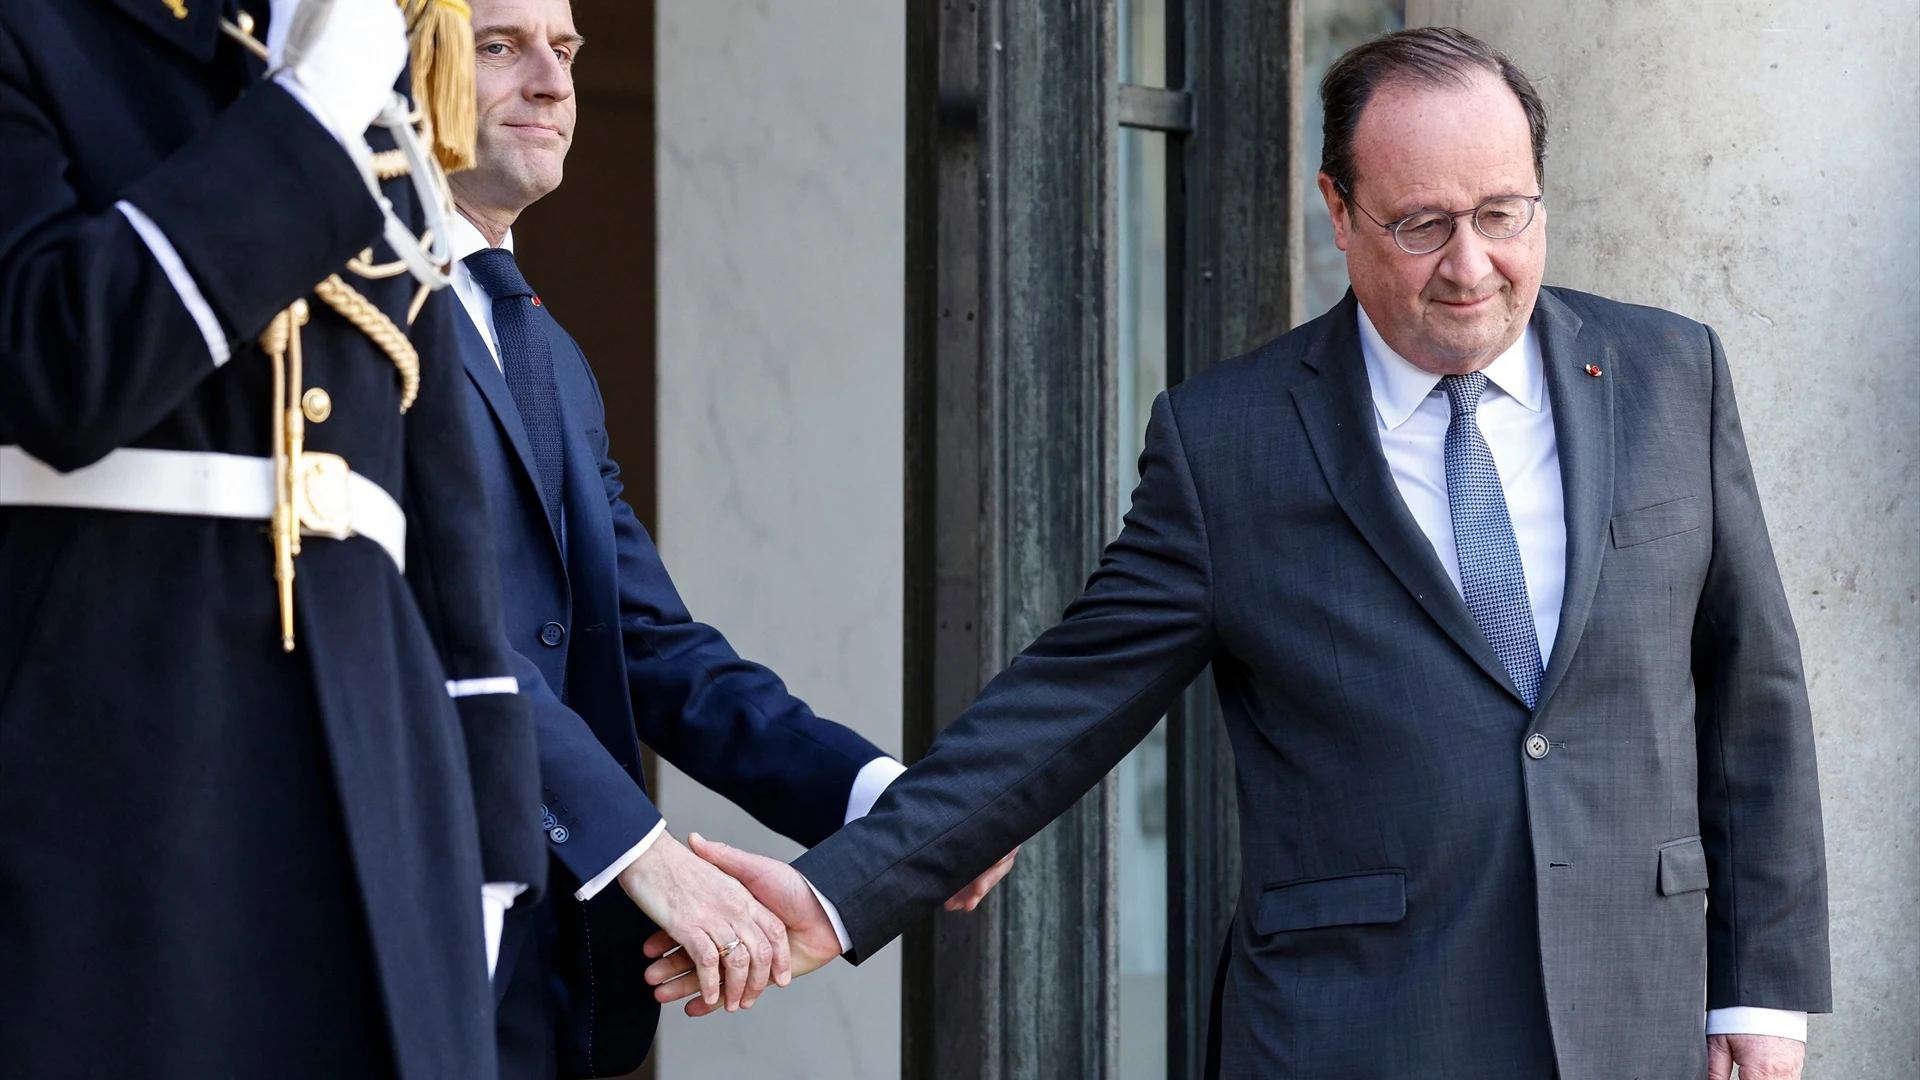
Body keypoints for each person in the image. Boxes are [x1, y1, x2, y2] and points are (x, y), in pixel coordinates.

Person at [648, 27, 1831, 1080]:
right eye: (1420, 225)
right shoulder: (1231, 442)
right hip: (1357, 1028)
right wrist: (837, 893)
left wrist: (1763, 993)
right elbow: (1065, 704)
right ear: (1338, 208)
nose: (1469, 267)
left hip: (1644, 1013)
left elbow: (1752, 702)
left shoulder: (1674, 375)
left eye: (1500, 215)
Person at [440, 3, 1016, 1077]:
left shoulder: (546, 351)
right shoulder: (344, 319)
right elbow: (433, 622)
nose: (554, 85)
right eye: (499, 46)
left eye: (564, 51)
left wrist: (882, 803)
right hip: (401, 936)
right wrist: (631, 846)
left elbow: (653, 645)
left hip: (547, 975)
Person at [0, 1, 545, 1078]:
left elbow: (434, 523)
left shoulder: (348, 70)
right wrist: (309, 113)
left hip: (375, 808)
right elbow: (60, 362)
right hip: (109, 781)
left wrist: (481, 859)